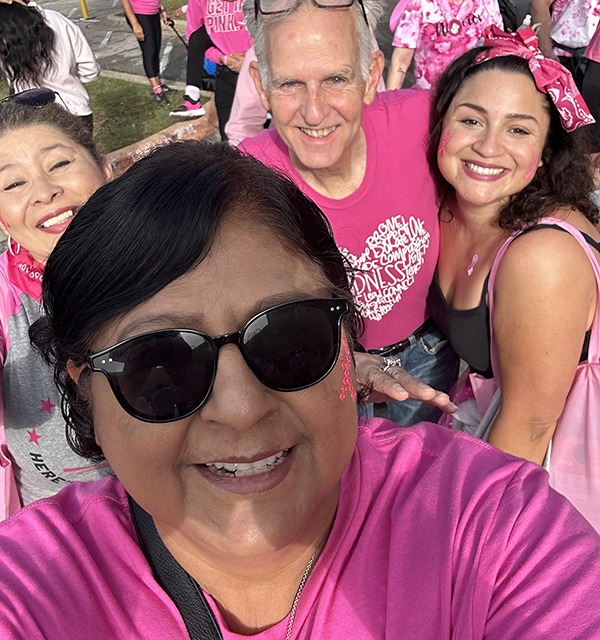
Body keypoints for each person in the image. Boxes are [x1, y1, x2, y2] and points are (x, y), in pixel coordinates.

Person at [1, 140, 600, 637]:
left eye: (290, 340)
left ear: (348, 346)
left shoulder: (489, 526)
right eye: (159, 367)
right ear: (85, 392)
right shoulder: (33, 584)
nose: (240, 410)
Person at [240, 0, 459, 426]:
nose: (314, 112)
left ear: (371, 74)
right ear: (261, 85)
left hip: (433, 357)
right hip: (324, 380)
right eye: (290, 84)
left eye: (336, 79)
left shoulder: (424, 123)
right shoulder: (246, 180)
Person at [428, 27, 600, 530]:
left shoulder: (541, 255)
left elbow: (528, 427)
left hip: (560, 475)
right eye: (471, 120)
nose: (488, 146)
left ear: (546, 152)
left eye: (519, 130)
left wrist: (459, 548)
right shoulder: (442, 210)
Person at [0, 100, 112, 518]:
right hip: (62, 532)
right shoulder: (6, 297)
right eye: (12, 185)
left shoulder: (176, 259)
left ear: (105, 167)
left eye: (60, 163)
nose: (44, 191)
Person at [0, 0, 99, 134]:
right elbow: (91, 70)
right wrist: (66, 76)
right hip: (74, 111)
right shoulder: (55, 20)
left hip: (28, 118)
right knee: (84, 158)